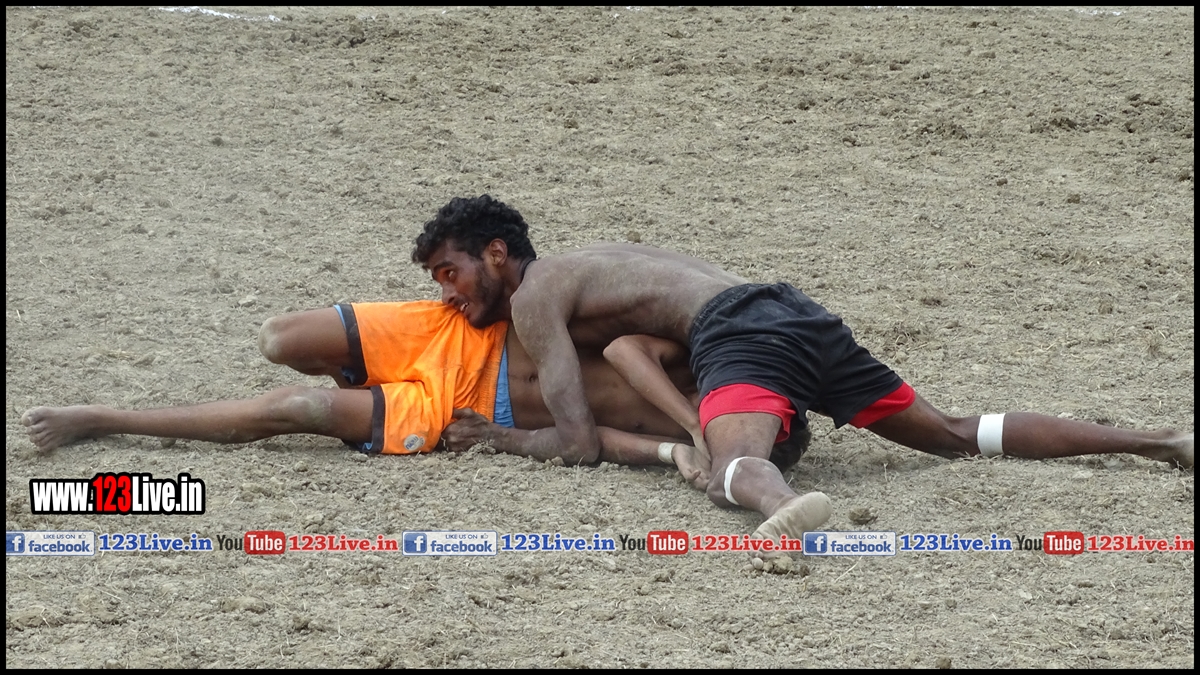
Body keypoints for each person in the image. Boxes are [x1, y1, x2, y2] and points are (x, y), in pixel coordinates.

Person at [412, 194, 1195, 546]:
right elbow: (626, 350)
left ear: (497, 253)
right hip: (794, 312)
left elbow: (578, 440)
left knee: (728, 467)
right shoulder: (594, 266)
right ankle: (1160, 441)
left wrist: (497, 438)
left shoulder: (536, 295)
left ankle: (785, 507)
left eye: (451, 272)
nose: (448, 293)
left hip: (738, 330)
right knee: (958, 433)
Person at [20, 300, 727, 479]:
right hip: (470, 337)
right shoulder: (704, 363)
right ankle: (358, 377)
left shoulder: (711, 432)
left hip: (470, 406)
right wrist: (692, 420)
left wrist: (673, 452)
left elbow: (593, 441)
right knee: (280, 339)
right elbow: (624, 350)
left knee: (297, 409)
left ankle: (105, 417)